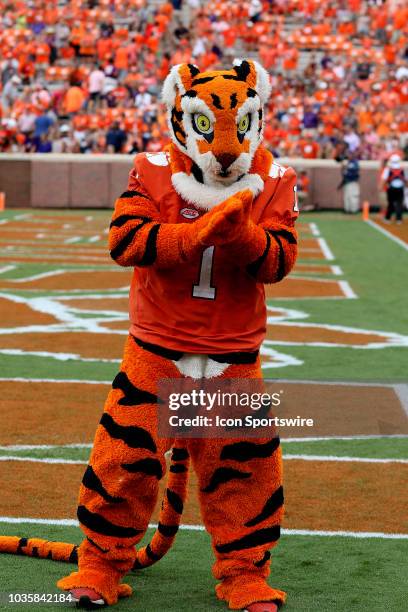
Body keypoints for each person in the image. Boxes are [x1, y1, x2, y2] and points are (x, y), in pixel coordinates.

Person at [381, 154, 406, 224]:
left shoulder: (388, 169)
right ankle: (399, 219)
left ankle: (387, 218)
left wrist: (381, 187)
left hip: (391, 188)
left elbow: (384, 179)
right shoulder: (402, 169)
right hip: (400, 188)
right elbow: (406, 180)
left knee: (391, 203)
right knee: (399, 203)